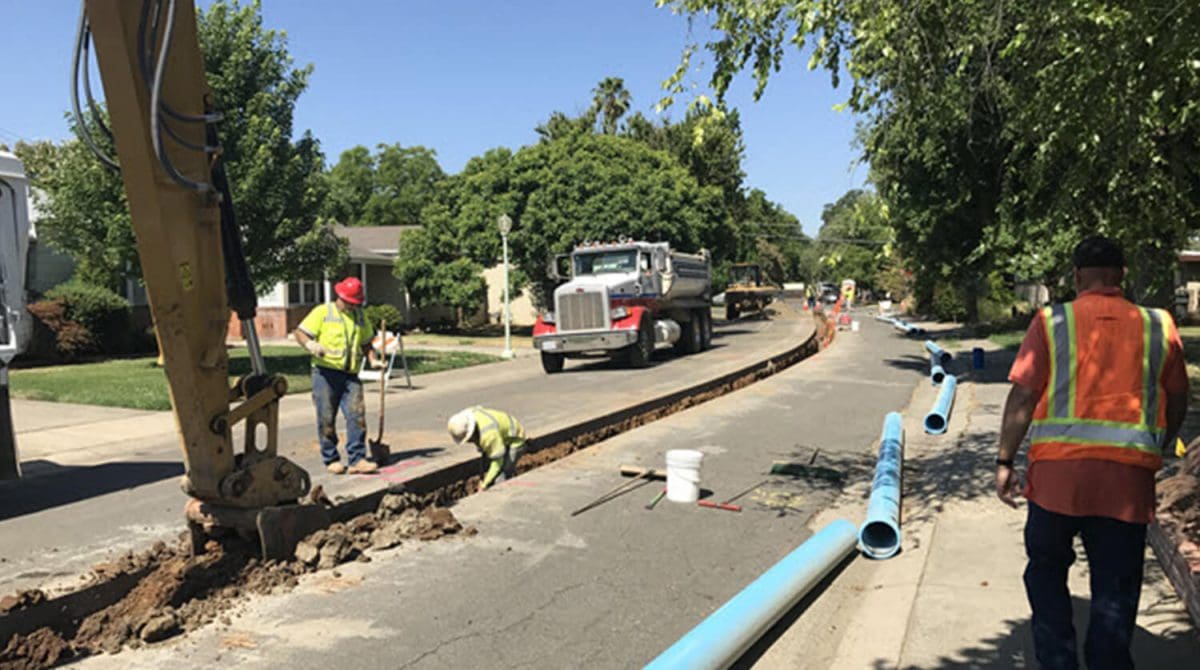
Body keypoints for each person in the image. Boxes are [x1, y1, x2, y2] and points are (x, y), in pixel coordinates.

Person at [995, 236, 1188, 670]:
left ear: (1077, 276)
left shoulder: (1052, 322)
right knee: (1116, 587)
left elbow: (1023, 398)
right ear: (1121, 275)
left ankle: (1058, 662)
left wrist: (1005, 461)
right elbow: (1177, 400)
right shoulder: (1160, 325)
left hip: (1055, 484)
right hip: (1126, 487)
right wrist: (1155, 444)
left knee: (1046, 573)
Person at [294, 277, 380, 475]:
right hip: (325, 373)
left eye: (356, 303)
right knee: (326, 416)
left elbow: (366, 341)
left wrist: (373, 358)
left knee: (356, 415)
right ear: (340, 296)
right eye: (351, 302)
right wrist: (310, 345)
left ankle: (357, 459)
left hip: (350, 374)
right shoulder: (323, 312)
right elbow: (300, 332)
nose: (353, 306)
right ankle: (331, 458)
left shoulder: (359, 316)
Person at [447, 406, 527, 490]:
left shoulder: (488, 435)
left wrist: (484, 485)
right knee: (491, 465)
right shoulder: (468, 415)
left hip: (516, 438)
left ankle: (504, 493)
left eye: (468, 439)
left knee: (501, 477)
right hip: (500, 434)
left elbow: (498, 462)